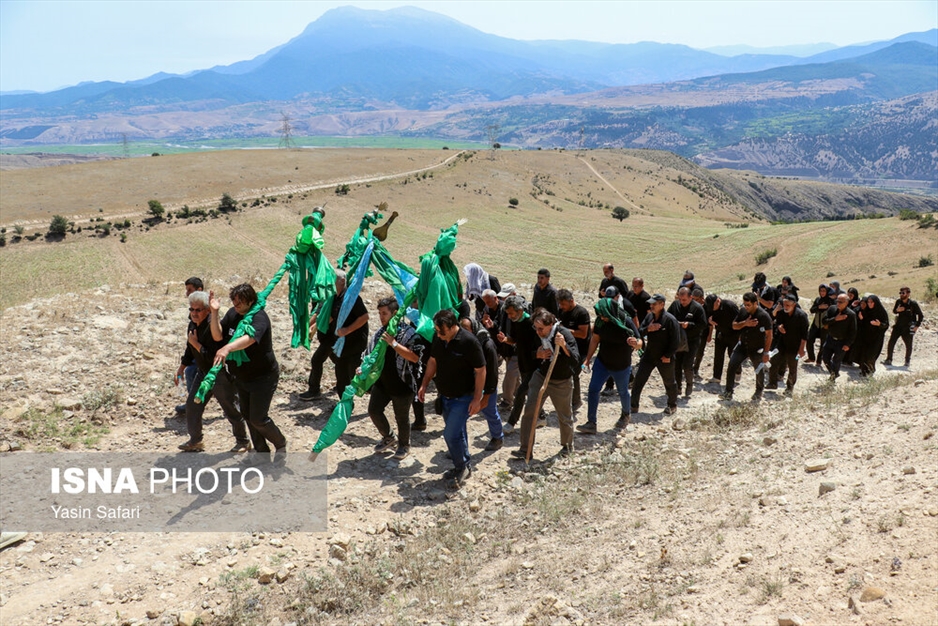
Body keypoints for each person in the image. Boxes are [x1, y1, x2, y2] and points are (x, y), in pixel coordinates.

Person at [211, 284, 287, 457]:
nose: (236, 305)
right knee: (247, 414)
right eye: (234, 301)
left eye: (240, 301)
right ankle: (262, 453)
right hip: (241, 376)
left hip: (263, 377)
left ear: (250, 301)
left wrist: (228, 348)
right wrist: (214, 312)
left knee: (258, 418)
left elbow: (250, 338)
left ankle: (280, 443)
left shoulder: (259, 318)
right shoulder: (232, 314)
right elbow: (218, 336)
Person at [176, 290, 251, 453]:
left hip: (218, 374)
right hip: (203, 372)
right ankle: (195, 441)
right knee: (192, 405)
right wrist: (182, 367)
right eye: (191, 309)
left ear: (207, 310)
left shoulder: (213, 327)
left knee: (230, 407)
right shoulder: (192, 324)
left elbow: (214, 356)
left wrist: (196, 344)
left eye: (197, 310)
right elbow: (190, 349)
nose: (193, 313)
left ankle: (243, 441)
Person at [418, 310, 485, 489]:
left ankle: (461, 467)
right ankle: (464, 465)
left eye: (442, 332)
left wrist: (477, 399)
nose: (439, 335)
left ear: (453, 326)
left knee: (450, 434)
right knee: (458, 433)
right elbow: (433, 361)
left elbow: (481, 370)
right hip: (445, 397)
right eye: (437, 331)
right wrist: (424, 384)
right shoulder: (438, 338)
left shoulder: (469, 342)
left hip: (463, 398)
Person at [512, 309, 579, 459]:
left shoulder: (563, 334)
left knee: (565, 415)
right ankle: (525, 449)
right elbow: (525, 353)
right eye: (536, 328)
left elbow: (575, 359)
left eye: (541, 328)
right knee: (530, 410)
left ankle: (567, 447)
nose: (538, 332)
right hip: (541, 376)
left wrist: (563, 346)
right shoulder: (536, 334)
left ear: (551, 325)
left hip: (561, 381)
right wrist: (537, 354)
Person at [367, 297, 427, 461]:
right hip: (382, 384)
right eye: (379, 313)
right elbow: (370, 355)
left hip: (402, 384)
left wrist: (393, 343)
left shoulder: (409, 334)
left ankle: (404, 445)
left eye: (384, 313)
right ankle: (388, 437)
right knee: (374, 410)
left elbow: (415, 358)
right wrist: (363, 368)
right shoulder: (380, 333)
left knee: (402, 418)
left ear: (395, 314)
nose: (381, 317)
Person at [301, 270, 369, 400]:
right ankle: (344, 407)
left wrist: (347, 330)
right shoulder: (332, 297)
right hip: (338, 342)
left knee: (354, 373)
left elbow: (365, 316)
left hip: (353, 344)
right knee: (342, 374)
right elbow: (323, 315)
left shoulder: (351, 298)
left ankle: (376, 390)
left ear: (342, 281)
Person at [578, 297, 641, 433]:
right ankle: (591, 423)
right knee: (593, 389)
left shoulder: (626, 321)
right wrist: (587, 359)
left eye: (603, 315)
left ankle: (625, 414)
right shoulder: (601, 322)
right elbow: (595, 340)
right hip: (602, 362)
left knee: (622, 391)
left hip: (621, 365)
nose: (601, 317)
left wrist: (635, 344)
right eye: (599, 315)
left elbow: (641, 342)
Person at [630, 294, 680, 415]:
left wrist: (668, 355)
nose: (651, 306)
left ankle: (672, 405)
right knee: (639, 380)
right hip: (649, 355)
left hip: (664, 358)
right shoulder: (649, 317)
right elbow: (640, 332)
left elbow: (676, 341)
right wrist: (649, 328)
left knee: (669, 382)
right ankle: (633, 406)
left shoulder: (670, 320)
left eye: (654, 304)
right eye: (651, 304)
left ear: (662, 304)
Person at [460, 318, 504, 451]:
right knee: (461, 414)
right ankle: (461, 447)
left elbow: (492, 373)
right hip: (469, 385)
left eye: (466, 330)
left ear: (473, 329)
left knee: (489, 411)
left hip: (486, 385)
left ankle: (497, 437)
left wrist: (487, 394)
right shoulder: (464, 343)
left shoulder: (487, 345)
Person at [720, 292, 773, 402]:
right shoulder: (743, 312)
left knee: (758, 370)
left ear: (755, 303)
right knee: (732, 365)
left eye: (748, 305)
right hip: (742, 346)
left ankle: (759, 391)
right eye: (745, 304)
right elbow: (734, 326)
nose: (746, 307)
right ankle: (728, 392)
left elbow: (769, 336)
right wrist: (745, 323)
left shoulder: (764, 316)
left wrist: (766, 352)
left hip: (757, 348)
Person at [498, 295, 540, 433]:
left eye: (511, 313)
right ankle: (542, 415)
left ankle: (511, 422)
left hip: (534, 365)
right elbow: (515, 340)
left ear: (520, 310)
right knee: (529, 391)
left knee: (521, 392)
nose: (509, 316)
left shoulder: (533, 324)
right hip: (523, 362)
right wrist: (505, 340)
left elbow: (539, 346)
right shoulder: (517, 322)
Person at [667, 287, 707, 399]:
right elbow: (667, 317)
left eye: (684, 299)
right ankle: (678, 387)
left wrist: (689, 325)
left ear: (691, 297)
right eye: (680, 299)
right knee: (677, 364)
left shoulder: (697, 308)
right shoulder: (675, 305)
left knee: (687, 365)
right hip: (678, 340)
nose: (682, 302)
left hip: (692, 341)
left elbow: (703, 325)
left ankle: (689, 384)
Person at [557, 289, 591, 413]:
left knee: (573, 373)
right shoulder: (562, 311)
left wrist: (564, 330)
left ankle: (576, 401)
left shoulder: (581, 313)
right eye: (560, 304)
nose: (561, 307)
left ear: (571, 301)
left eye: (563, 304)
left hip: (581, 350)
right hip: (566, 347)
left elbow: (583, 334)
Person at [767, 294, 809, 395]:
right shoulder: (781, 313)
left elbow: (805, 335)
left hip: (795, 345)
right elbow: (777, 323)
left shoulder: (801, 316)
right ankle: (772, 383)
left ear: (794, 304)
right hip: (782, 342)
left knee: (792, 367)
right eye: (784, 304)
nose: (785, 307)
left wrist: (801, 349)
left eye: (788, 305)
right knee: (773, 361)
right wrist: (779, 327)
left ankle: (789, 388)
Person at [175, 276, 205, 414]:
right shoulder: (194, 318)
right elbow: (191, 345)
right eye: (191, 310)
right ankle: (192, 404)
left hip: (211, 356)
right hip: (199, 354)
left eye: (190, 290)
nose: (187, 294)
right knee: (190, 371)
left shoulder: (210, 319)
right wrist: (181, 367)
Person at [705, 293, 740, 384]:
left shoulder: (730, 306)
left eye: (714, 307)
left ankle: (738, 371)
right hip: (720, 333)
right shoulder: (710, 307)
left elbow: (739, 320)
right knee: (718, 355)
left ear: (718, 301)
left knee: (733, 355)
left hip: (733, 334)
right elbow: (709, 318)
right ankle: (717, 377)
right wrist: (710, 321)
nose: (712, 309)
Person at [821, 293, 857, 382]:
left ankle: (832, 377)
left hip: (842, 342)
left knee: (836, 361)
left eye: (841, 302)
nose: (838, 304)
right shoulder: (832, 309)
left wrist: (848, 344)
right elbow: (824, 321)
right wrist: (835, 319)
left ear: (847, 303)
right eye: (837, 301)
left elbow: (853, 331)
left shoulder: (851, 315)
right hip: (830, 339)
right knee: (825, 358)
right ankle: (834, 373)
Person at [884, 287, 924, 367]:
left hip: (908, 327)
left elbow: (921, 315)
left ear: (908, 294)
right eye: (900, 293)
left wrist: (917, 326)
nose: (901, 295)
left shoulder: (913, 304)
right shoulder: (898, 302)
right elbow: (894, 311)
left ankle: (907, 360)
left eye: (903, 293)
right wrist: (898, 310)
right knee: (891, 342)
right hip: (898, 326)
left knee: (908, 345)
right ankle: (889, 359)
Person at [857, 295, 889, 377]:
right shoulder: (866, 311)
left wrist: (879, 324)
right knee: (864, 354)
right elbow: (862, 324)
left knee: (871, 355)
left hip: (876, 338)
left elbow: (886, 324)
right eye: (868, 302)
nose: (870, 304)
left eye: (872, 302)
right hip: (866, 337)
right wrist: (861, 319)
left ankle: (871, 370)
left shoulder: (881, 312)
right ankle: (864, 371)